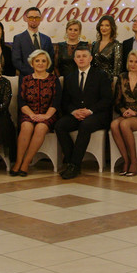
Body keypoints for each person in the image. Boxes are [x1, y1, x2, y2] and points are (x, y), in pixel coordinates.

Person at [55, 45, 113, 179]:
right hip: (77, 114)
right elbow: (65, 102)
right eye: (78, 56)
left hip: (97, 114)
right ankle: (72, 162)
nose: (81, 59)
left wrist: (90, 111)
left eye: (84, 56)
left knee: (85, 125)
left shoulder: (101, 75)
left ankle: (74, 165)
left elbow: (107, 99)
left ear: (90, 58)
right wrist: (74, 111)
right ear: (75, 59)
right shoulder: (69, 77)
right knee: (60, 125)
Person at [12, 49, 60, 176]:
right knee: (26, 127)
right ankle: (18, 161)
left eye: (43, 61)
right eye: (37, 61)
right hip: (28, 113)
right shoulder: (26, 79)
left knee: (40, 128)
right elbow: (21, 101)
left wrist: (46, 116)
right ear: (32, 63)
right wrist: (31, 115)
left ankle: (26, 163)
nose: (40, 63)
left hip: (48, 114)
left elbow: (56, 101)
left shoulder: (54, 79)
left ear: (48, 63)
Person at [12, 6, 55, 75]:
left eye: (37, 18)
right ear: (26, 19)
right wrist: (33, 75)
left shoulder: (47, 39)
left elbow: (51, 60)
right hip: (26, 78)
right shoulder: (18, 38)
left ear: (40, 19)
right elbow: (16, 61)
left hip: (44, 78)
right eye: (31, 17)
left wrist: (44, 73)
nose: (34, 20)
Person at [91, 14, 122, 79]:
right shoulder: (94, 44)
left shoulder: (116, 45)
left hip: (108, 80)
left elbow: (117, 69)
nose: (103, 28)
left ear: (112, 27)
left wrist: (114, 81)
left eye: (107, 25)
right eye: (101, 25)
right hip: (94, 79)